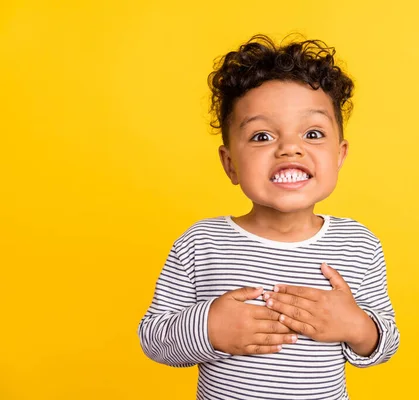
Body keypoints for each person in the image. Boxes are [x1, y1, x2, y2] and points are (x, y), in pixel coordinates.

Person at [138, 34, 400, 400]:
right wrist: (208, 328)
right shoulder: (201, 243)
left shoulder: (358, 245)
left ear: (339, 155)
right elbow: (155, 339)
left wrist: (357, 326)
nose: (289, 147)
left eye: (312, 133)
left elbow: (384, 344)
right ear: (231, 164)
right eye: (261, 136)